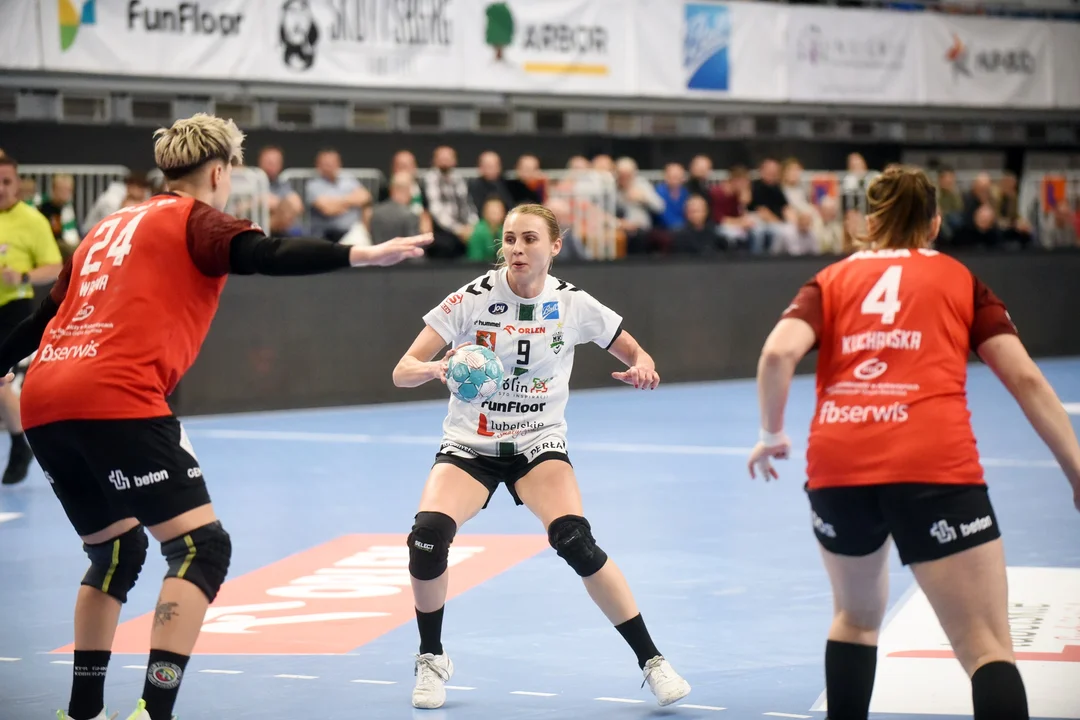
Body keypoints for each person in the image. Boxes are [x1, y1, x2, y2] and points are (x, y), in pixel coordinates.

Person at [0, 113, 431, 720]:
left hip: (44, 399)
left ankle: (82, 710)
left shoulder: (104, 229)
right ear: (220, 172)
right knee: (201, 549)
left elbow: (39, 322)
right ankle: (154, 711)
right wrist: (360, 254)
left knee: (115, 553)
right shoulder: (194, 218)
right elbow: (265, 253)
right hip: (114, 394)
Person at [746, 166, 1080, 720]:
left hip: (839, 465)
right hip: (932, 463)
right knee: (986, 647)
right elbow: (1024, 379)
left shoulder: (831, 279)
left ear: (869, 221)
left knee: (854, 620)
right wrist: (1075, 469)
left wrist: (771, 434)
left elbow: (778, 353)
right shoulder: (959, 278)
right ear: (935, 223)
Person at [391, 203, 692, 710]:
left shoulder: (573, 303)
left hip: (538, 443)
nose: (517, 249)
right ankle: (431, 657)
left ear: (554, 246)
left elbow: (636, 352)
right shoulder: (470, 299)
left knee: (576, 541)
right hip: (471, 445)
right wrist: (438, 368)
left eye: (529, 239)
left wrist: (643, 366)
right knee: (427, 539)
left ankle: (653, 661)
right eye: (509, 239)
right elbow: (402, 370)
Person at [0, 155, 63, 486]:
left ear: (18, 184)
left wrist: (22, 275)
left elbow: (55, 267)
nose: (1, 188)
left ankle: (18, 444)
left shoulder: (33, 220)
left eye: (7, 182)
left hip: (12, 308)